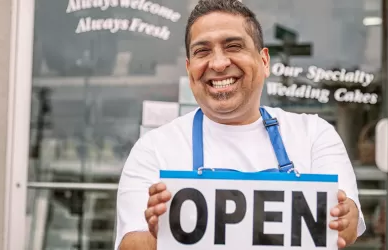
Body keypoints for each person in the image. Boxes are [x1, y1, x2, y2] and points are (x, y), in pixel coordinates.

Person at [114, 0, 366, 249]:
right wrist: (161, 237)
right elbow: (130, 243)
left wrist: (342, 217)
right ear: (190, 70)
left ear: (264, 61)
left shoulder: (314, 135)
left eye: (233, 46)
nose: (219, 63)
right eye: (202, 51)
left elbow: (347, 225)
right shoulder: (154, 149)